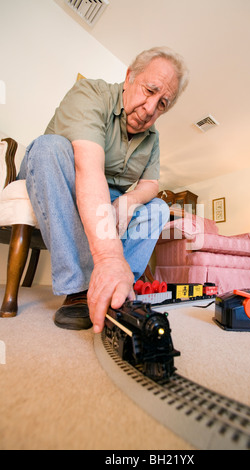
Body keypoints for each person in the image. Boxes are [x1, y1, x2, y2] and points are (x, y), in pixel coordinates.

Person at [18, 47, 189, 333]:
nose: (150, 109)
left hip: (110, 196)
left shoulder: (153, 138)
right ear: (129, 76)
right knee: (49, 146)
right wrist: (107, 257)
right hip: (63, 176)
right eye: (150, 90)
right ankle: (80, 288)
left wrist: (129, 200)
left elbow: (151, 183)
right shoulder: (91, 93)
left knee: (159, 207)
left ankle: (119, 289)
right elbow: (88, 168)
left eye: (162, 104)